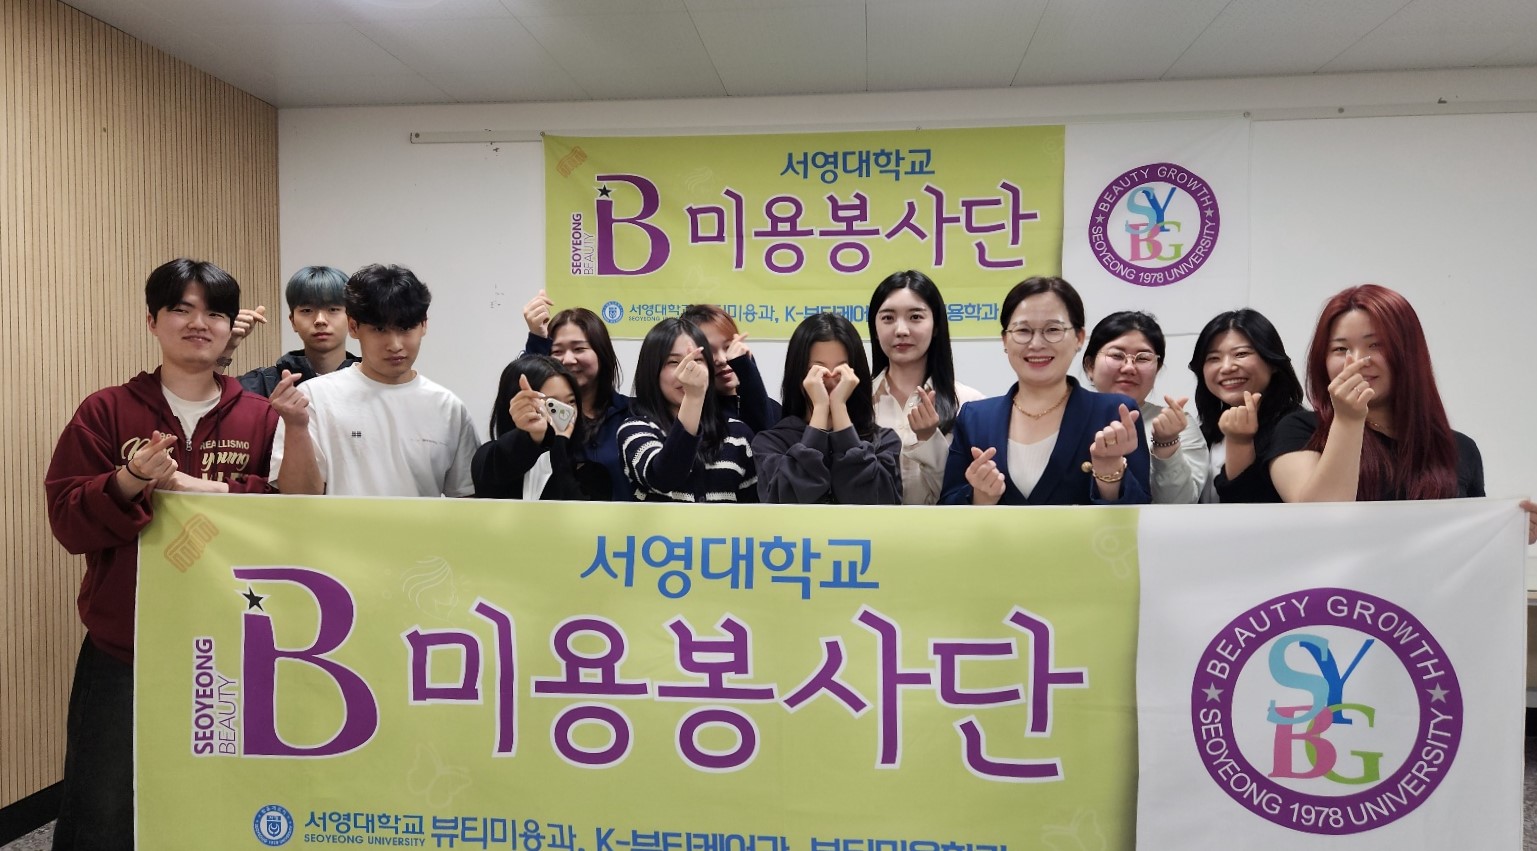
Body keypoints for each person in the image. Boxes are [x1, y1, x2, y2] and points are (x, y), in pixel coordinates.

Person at [44, 258, 297, 849]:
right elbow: (67, 521)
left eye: (213, 312)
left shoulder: (261, 415)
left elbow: (289, 517)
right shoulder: (105, 411)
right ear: (152, 321)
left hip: (234, 645)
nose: (198, 323)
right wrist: (129, 480)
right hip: (126, 646)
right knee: (102, 808)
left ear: (231, 326)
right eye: (180, 309)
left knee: (223, 802)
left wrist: (201, 489)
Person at [270, 264, 478, 497]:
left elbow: (467, 499)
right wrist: (296, 427)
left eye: (406, 328)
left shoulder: (448, 408)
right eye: (379, 329)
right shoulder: (313, 397)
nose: (395, 345)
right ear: (353, 327)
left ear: (424, 325)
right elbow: (298, 498)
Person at [940, 276, 1149, 506]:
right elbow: (947, 508)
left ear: (1079, 338)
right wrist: (980, 497)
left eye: (1053, 329)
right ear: (1005, 340)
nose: (1036, 344)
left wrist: (1110, 472)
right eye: (1023, 330)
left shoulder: (1115, 414)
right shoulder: (975, 417)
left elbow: (1140, 513)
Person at [1269, 284, 1485, 503]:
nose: (1358, 361)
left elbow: (1479, 523)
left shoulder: (1459, 448)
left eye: (1376, 345)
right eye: (1341, 349)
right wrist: (1348, 420)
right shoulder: (1300, 431)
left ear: (1408, 353)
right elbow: (1319, 515)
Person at [753, 313, 902, 504]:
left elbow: (871, 502)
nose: (830, 379)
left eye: (842, 370)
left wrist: (839, 408)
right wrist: (820, 409)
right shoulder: (771, 443)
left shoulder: (884, 442)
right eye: (818, 370)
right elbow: (787, 502)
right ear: (799, 374)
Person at [866, 270, 985, 505]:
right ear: (875, 328)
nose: (901, 330)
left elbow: (968, 496)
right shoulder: (853, 402)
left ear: (936, 325)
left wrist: (930, 439)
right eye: (888, 318)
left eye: (915, 317)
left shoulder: (970, 404)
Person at [618, 318, 757, 503]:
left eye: (697, 359)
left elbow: (754, 509)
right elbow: (663, 478)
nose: (688, 369)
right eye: (674, 362)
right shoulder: (635, 430)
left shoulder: (738, 434)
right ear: (652, 370)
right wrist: (693, 397)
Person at [1082, 311, 1207, 504]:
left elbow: (1179, 505)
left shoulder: (1177, 425)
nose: (1129, 367)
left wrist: (1166, 443)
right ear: (1090, 366)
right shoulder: (1066, 417)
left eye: (1142, 358)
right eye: (1116, 355)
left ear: (1157, 368)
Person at [519, 290, 633, 501]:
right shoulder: (542, 419)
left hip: (625, 523)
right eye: (557, 351)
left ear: (601, 353)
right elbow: (529, 380)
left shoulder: (633, 413)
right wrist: (537, 339)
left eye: (579, 349)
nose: (568, 360)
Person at [1187, 309, 1304, 503]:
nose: (1227, 367)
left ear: (1272, 361)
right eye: (1213, 358)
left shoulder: (1295, 429)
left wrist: (1240, 443)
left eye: (1241, 354)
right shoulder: (1202, 435)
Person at [472, 355, 608, 500]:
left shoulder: (592, 472)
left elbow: (575, 509)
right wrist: (534, 436)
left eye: (571, 401)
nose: (566, 412)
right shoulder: (491, 459)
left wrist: (559, 443)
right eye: (552, 404)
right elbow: (495, 470)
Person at [224, 265, 361, 396]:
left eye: (333, 309)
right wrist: (228, 347)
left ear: (352, 320)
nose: (320, 320)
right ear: (293, 321)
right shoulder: (262, 384)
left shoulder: (369, 380)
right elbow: (214, 401)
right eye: (307, 310)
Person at [680, 303, 781, 433]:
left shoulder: (773, 409)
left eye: (728, 347)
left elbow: (763, 438)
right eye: (708, 352)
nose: (722, 359)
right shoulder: (692, 417)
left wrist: (747, 368)